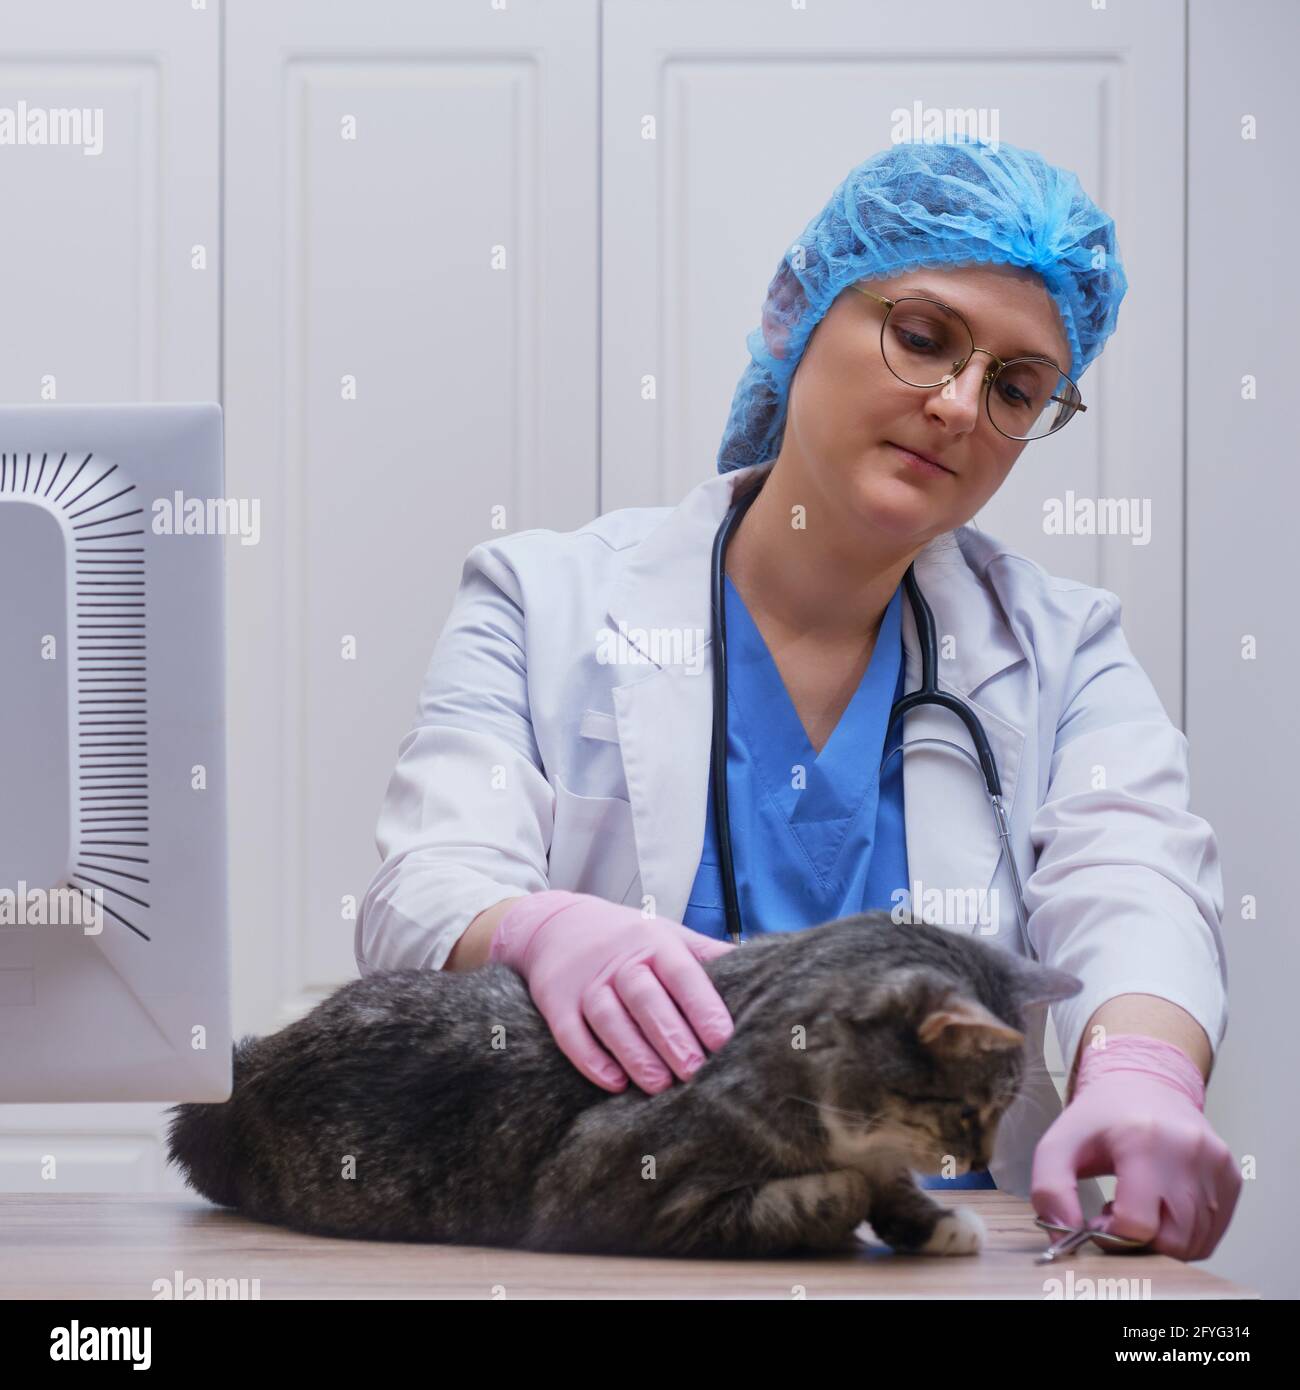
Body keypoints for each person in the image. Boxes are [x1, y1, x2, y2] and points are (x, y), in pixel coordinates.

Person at [356, 137, 1239, 1261]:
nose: (961, 406)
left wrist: (1144, 1072)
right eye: (922, 338)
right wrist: (532, 928)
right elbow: (424, 888)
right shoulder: (543, 598)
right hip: (623, 1245)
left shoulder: (1062, 649)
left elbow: (1135, 879)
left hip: (932, 1261)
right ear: (793, 313)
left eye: (1016, 386)